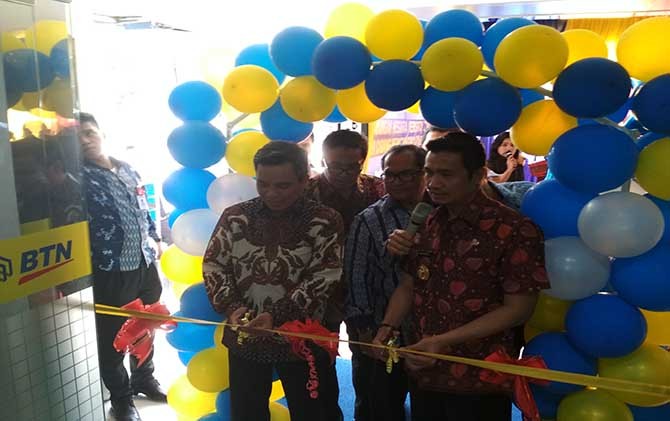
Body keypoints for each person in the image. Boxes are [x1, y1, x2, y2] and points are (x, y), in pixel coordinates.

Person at [377, 133, 549, 421]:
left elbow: (518, 309)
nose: (433, 183)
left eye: (446, 174)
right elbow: (409, 284)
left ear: (478, 176)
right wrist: (388, 326)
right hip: (425, 369)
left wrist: (442, 341)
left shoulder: (514, 229)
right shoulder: (430, 221)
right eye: (429, 173)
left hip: (480, 378)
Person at [203, 141, 344, 421]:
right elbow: (214, 264)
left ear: (304, 180)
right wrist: (233, 308)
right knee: (247, 413)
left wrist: (276, 315)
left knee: (312, 412)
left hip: (300, 338)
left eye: (283, 186)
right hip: (245, 335)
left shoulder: (324, 220)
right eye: (263, 184)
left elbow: (324, 275)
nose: (271, 193)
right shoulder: (235, 217)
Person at [78, 112, 165, 421]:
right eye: (76, 137)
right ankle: (121, 400)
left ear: (101, 133)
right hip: (110, 268)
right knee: (114, 338)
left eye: (89, 132)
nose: (84, 140)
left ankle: (144, 379)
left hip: (145, 262)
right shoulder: (79, 177)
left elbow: (143, 208)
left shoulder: (127, 169)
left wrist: (155, 238)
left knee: (147, 325)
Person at [305, 129, 385, 420]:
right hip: (319, 291)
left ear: (362, 161)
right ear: (323, 160)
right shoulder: (305, 192)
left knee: (368, 360)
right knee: (319, 362)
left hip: (367, 290)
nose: (343, 173)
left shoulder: (377, 189)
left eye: (352, 167)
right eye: (335, 166)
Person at [345, 145, 427, 421]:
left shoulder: (445, 212)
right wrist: (365, 330)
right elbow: (356, 277)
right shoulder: (369, 219)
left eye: (406, 174)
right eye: (390, 175)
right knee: (378, 406)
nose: (397, 182)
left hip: (435, 335)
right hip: (383, 334)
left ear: (424, 173)